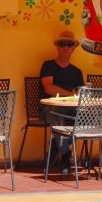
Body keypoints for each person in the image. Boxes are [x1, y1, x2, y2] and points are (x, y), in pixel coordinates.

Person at [39, 30, 85, 174]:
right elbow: (49, 88)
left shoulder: (77, 71)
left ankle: (55, 148)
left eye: (69, 44)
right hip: (48, 109)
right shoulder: (48, 65)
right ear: (57, 47)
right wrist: (70, 94)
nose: (65, 47)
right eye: (62, 44)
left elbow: (81, 94)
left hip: (69, 109)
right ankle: (65, 154)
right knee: (57, 113)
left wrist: (76, 97)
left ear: (73, 48)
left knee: (85, 115)